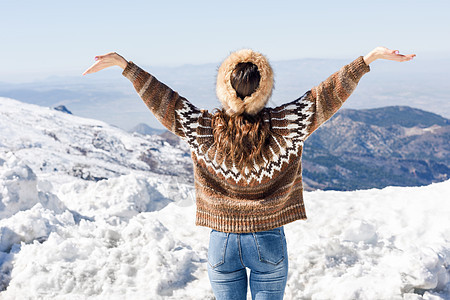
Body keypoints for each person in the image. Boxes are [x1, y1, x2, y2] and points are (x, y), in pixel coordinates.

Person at [83, 47, 415, 300]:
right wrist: (369, 58)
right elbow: (326, 96)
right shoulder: (287, 125)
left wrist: (124, 66)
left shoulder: (203, 128)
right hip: (268, 238)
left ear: (224, 87)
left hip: (221, 241)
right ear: (263, 88)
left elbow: (164, 100)